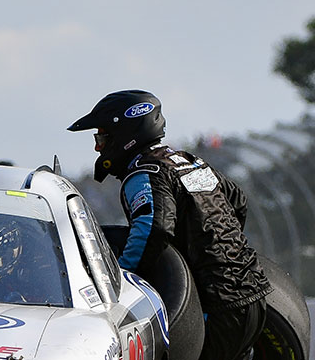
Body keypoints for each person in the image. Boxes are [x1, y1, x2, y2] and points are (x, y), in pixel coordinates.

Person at [68, 89, 271, 360]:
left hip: (214, 305)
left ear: (124, 134)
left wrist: (119, 285)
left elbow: (154, 229)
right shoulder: (190, 162)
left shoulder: (145, 171)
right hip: (254, 295)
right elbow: (238, 201)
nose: (98, 147)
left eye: (102, 137)